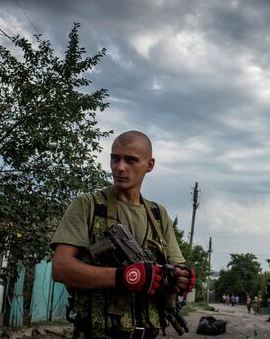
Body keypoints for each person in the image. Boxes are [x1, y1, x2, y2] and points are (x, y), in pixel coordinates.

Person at [51, 130, 195, 339]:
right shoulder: (88, 205)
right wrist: (122, 277)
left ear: (150, 165)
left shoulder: (158, 215)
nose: (120, 167)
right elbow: (60, 268)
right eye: (115, 158)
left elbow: (175, 266)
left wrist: (181, 278)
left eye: (130, 160)